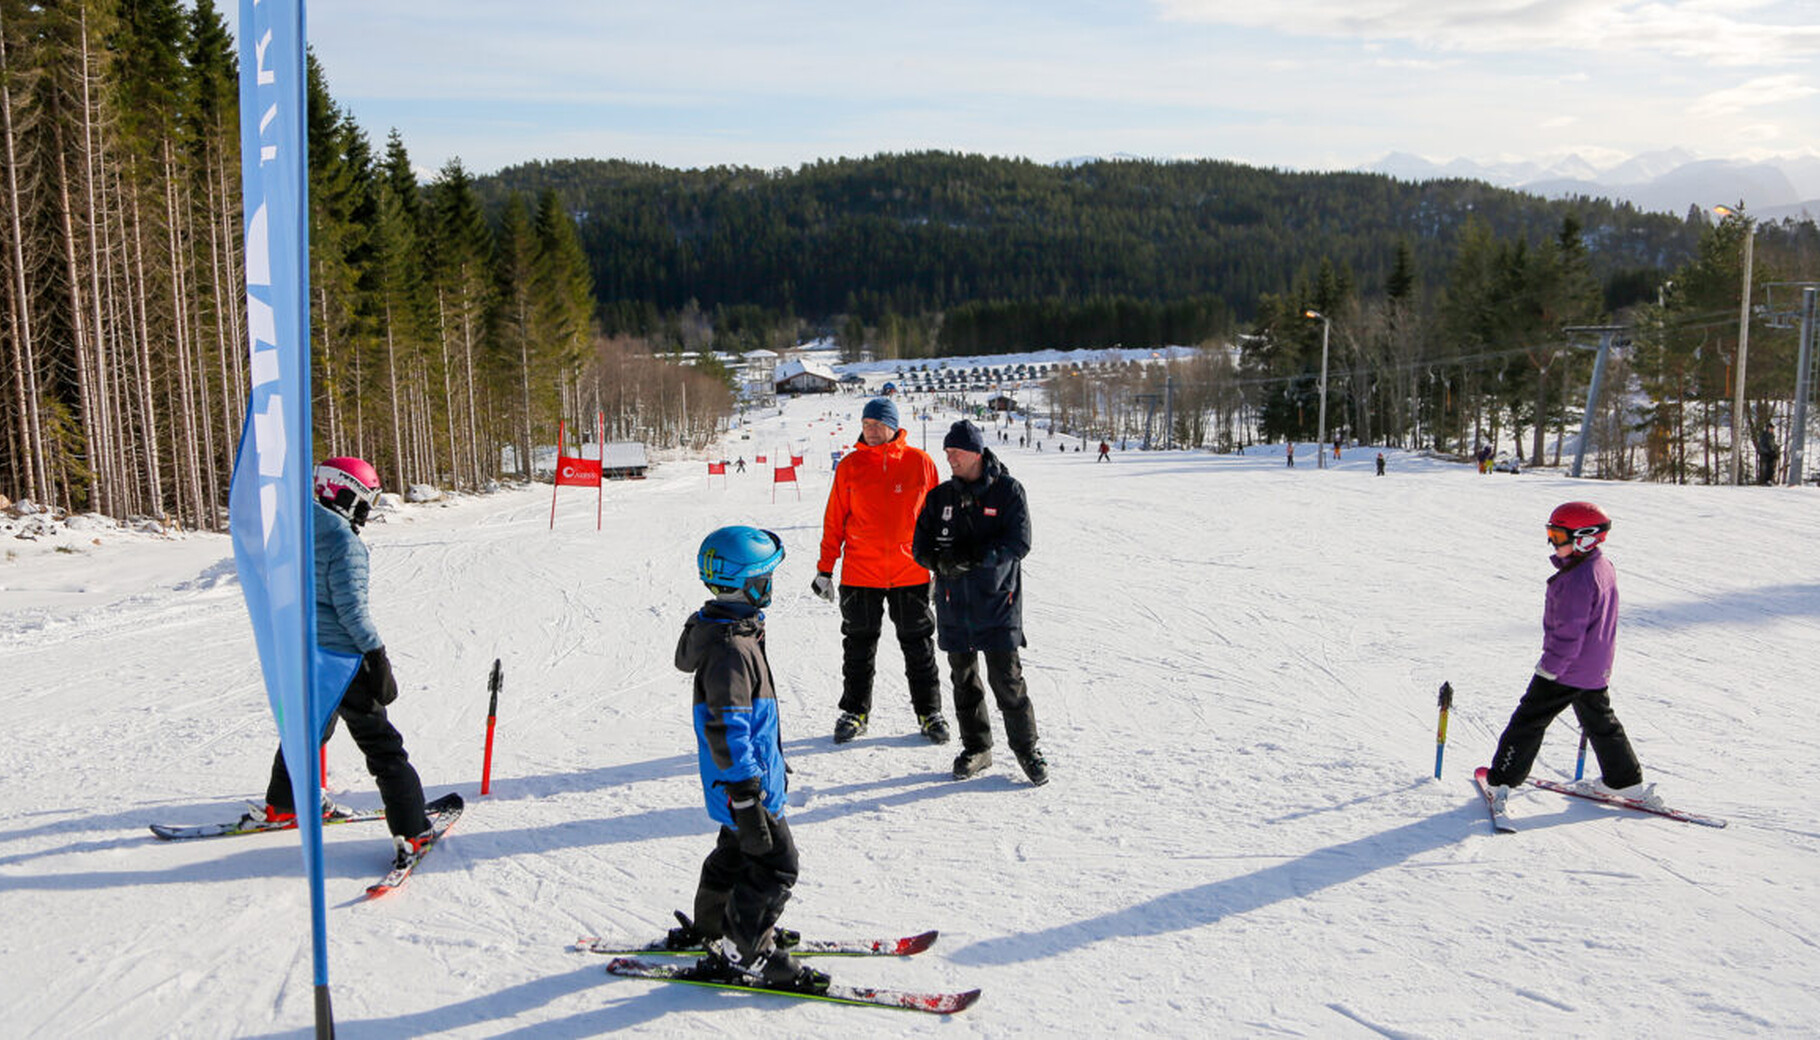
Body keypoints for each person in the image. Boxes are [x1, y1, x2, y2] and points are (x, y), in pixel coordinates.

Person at [254, 457, 437, 866]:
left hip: (306, 652)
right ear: (343, 493)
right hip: (342, 658)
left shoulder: (293, 529)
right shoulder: (343, 541)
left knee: (308, 730)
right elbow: (352, 612)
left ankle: (285, 804)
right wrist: (376, 655)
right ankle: (413, 830)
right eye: (364, 502)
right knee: (382, 744)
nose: (366, 512)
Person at [670, 526, 827, 992]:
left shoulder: (731, 630)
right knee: (777, 865)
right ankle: (747, 949)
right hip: (744, 789)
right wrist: (746, 793)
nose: (770, 586)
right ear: (747, 583)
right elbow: (727, 726)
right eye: (765, 578)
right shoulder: (731, 649)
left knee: (734, 856)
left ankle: (713, 926)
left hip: (743, 781)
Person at [1484, 502, 1654, 813]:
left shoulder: (1576, 579)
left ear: (1585, 538)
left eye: (1559, 536)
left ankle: (1501, 781)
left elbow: (1569, 632)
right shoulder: (1600, 566)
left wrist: (1550, 667)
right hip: (1594, 665)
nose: (1552, 542)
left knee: (1528, 720)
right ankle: (1624, 780)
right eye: (1551, 534)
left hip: (1567, 668)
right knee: (1599, 720)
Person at [912, 421, 1047, 785]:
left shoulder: (1008, 491)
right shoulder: (940, 498)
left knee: (1007, 681)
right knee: (964, 680)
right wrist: (939, 563)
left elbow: (1019, 542)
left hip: (998, 603)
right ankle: (977, 748)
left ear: (975, 452)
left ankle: (1027, 749)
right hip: (954, 605)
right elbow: (919, 546)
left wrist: (974, 558)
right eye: (947, 452)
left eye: (956, 452)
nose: (950, 458)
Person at [812, 396, 947, 745]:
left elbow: (937, 522)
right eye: (866, 424)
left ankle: (930, 713)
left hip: (910, 572)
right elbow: (834, 521)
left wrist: (940, 569)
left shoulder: (920, 463)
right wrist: (825, 569)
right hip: (861, 574)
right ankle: (854, 712)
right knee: (858, 648)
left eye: (877, 424)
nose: (870, 430)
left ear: (893, 426)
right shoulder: (850, 466)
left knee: (919, 647)